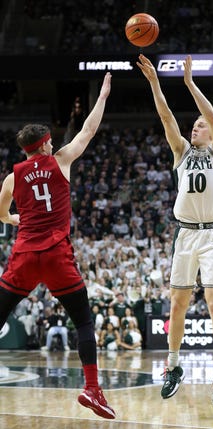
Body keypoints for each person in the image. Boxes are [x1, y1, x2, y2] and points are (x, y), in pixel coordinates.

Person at [0, 72, 116, 419]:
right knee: (83, 321)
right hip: (55, 254)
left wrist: (13, 220)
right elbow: (89, 130)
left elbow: (1, 210)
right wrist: (104, 94)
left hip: (23, 254)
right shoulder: (61, 160)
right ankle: (92, 390)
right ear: (47, 144)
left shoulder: (13, 175)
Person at [137, 54, 213, 406]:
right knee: (177, 305)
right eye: (193, 125)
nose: (196, 127)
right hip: (186, 234)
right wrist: (154, 83)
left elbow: (212, 116)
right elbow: (166, 116)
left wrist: (191, 84)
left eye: (200, 125)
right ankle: (174, 366)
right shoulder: (181, 151)